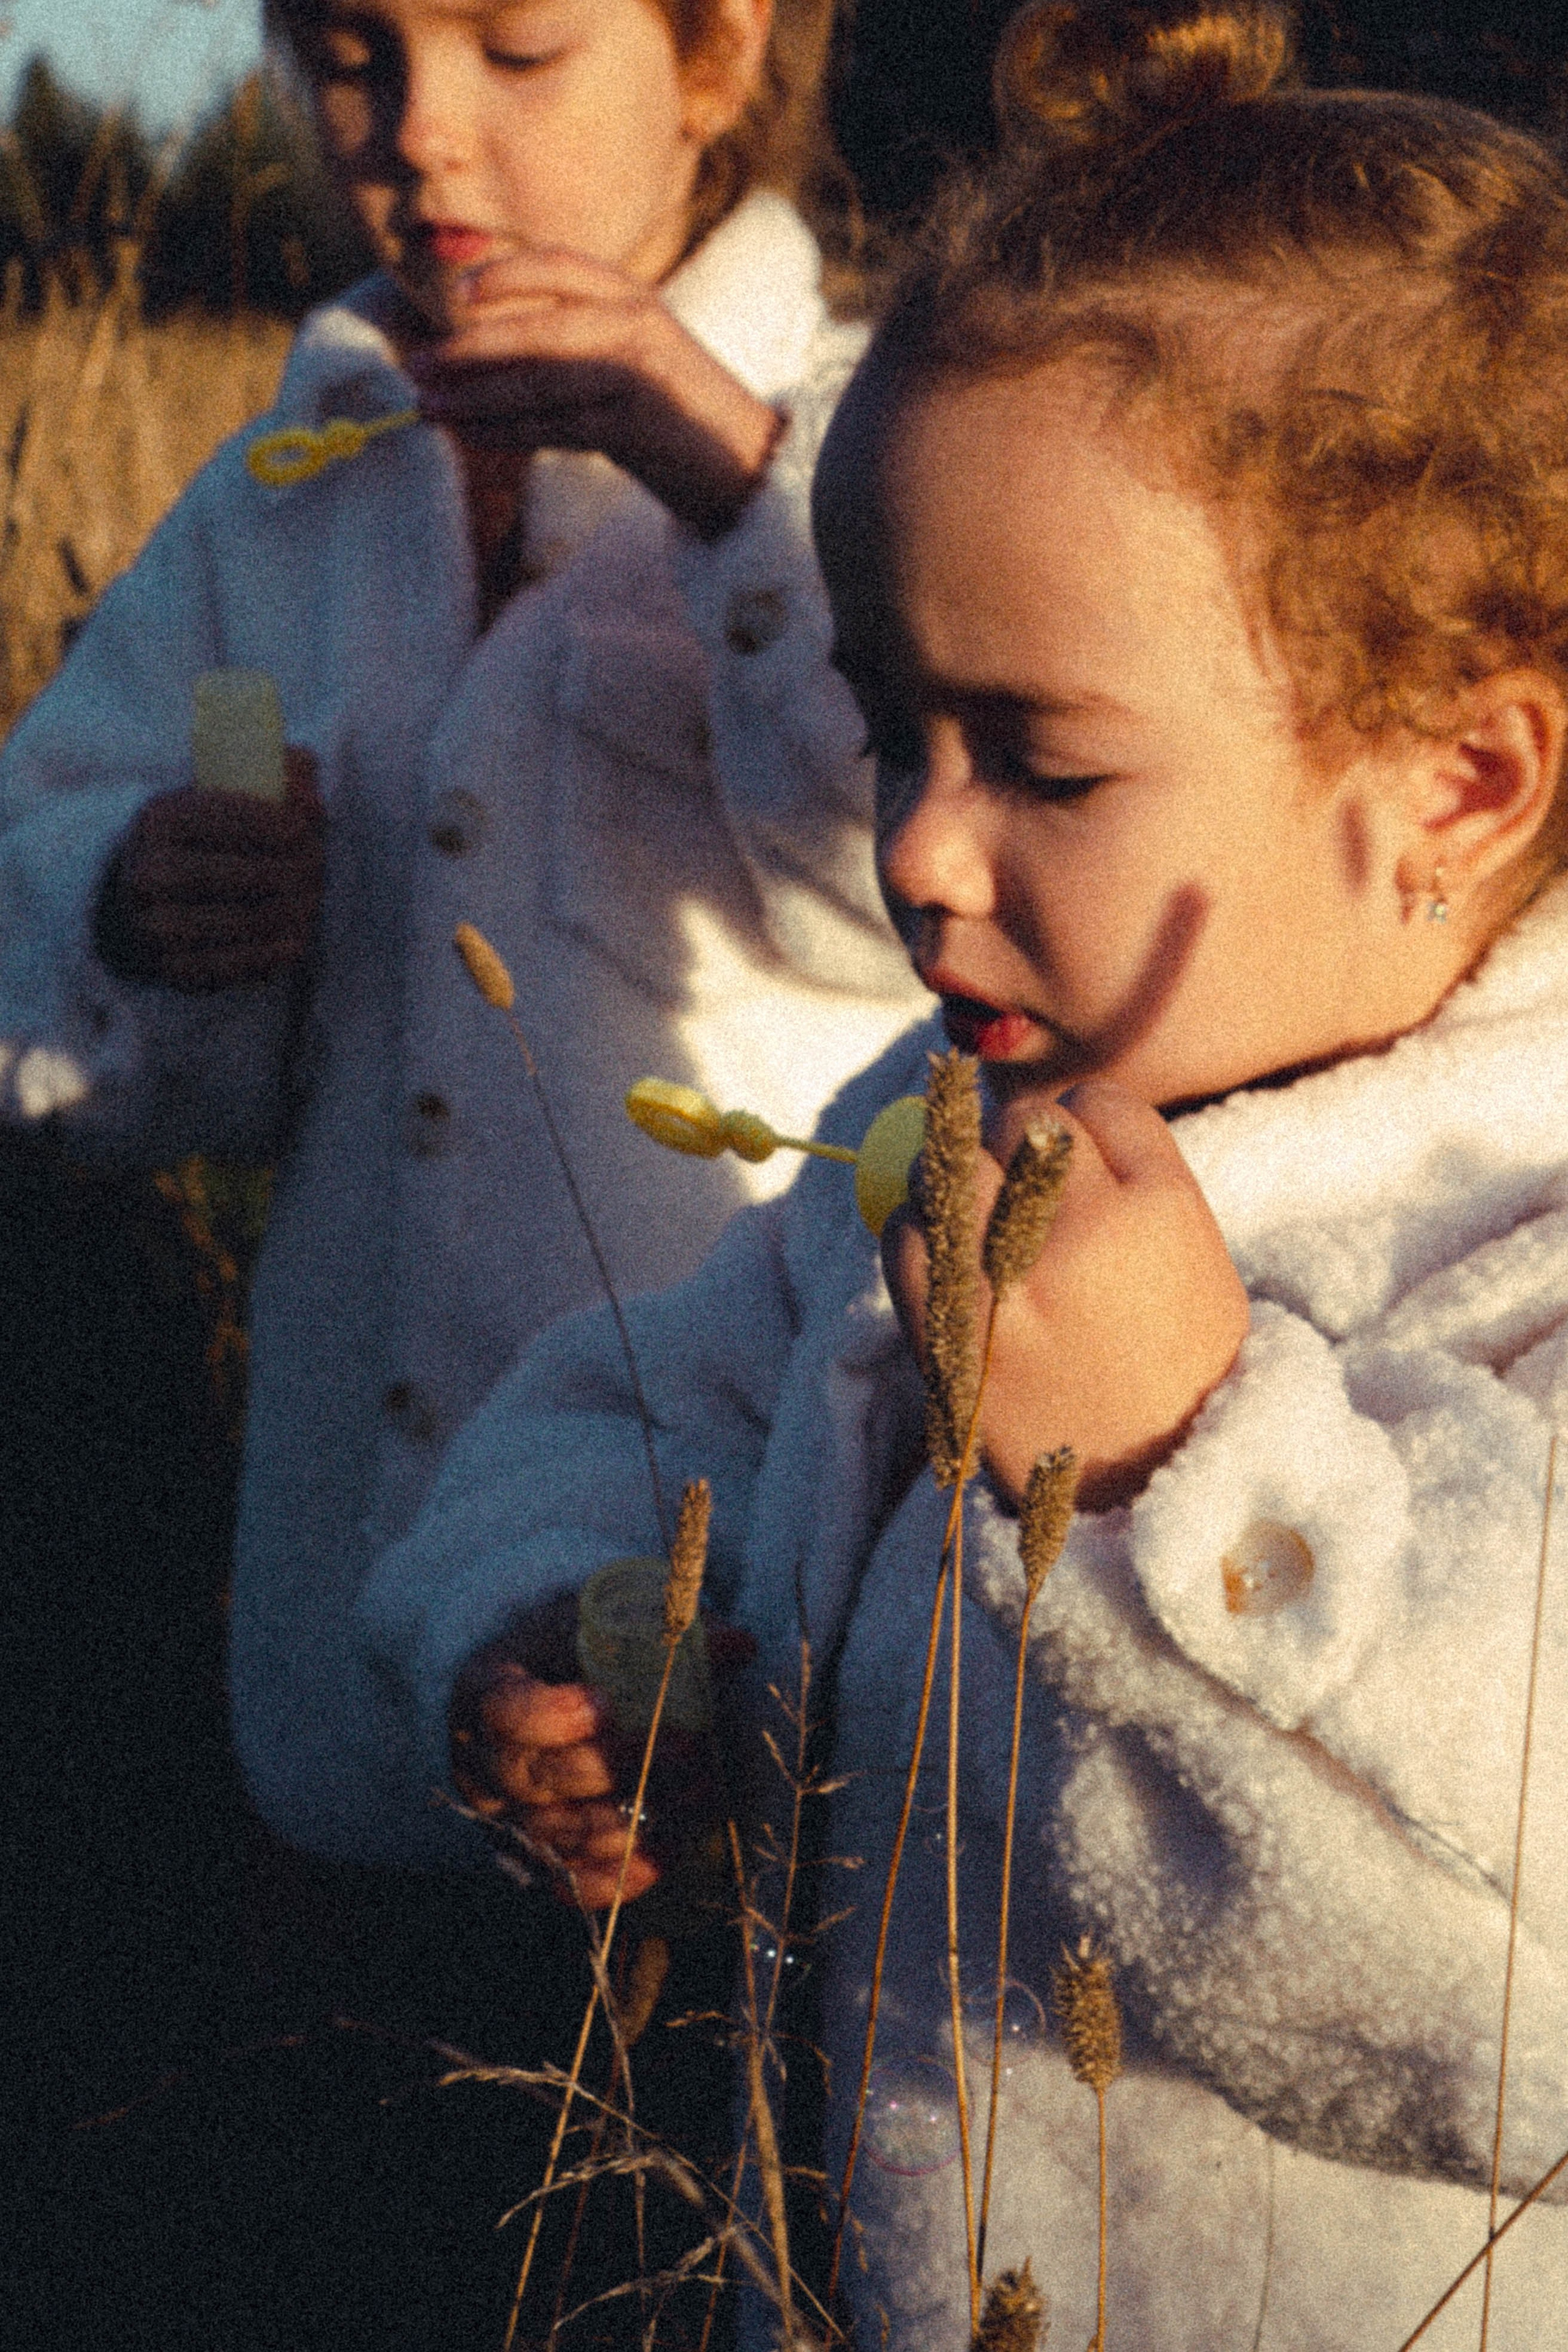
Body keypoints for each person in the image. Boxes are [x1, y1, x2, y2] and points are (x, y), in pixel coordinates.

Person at [360, 2, 1568, 2342]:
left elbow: (1524, 2008)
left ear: (1459, 780)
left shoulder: (1512, 1232)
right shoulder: (942, 1128)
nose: (917, 847)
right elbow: (650, 1393)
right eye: (890, 724)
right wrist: (564, 1628)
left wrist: (1170, 1474)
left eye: (1042, 761)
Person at [0, 0, 928, 1862]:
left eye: (515, 50)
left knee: (714, 2001)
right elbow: (39, 900)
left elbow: (935, 893)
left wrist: (740, 491)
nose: (417, 129)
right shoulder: (286, 492)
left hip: (746, 1581)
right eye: (357, 53)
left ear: (719, 55)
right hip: (347, 1639)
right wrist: (129, 902)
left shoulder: (886, 441)